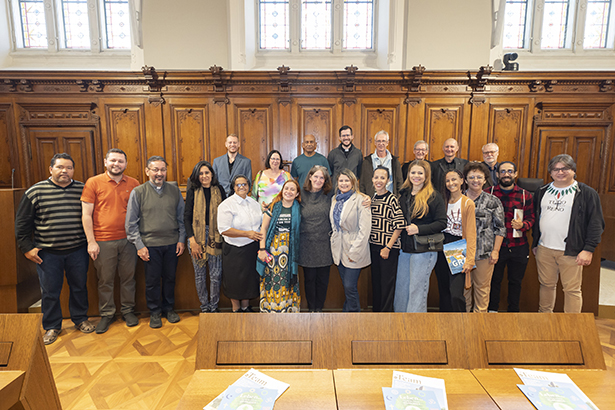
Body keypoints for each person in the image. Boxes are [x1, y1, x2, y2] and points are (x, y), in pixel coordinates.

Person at [15, 153, 94, 345]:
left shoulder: (83, 189)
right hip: (48, 254)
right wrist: (27, 248)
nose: (64, 171)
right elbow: (22, 223)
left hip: (77, 250)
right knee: (50, 291)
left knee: (79, 287)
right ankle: (52, 326)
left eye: (68, 167)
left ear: (73, 170)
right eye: (60, 167)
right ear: (51, 169)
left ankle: (80, 319)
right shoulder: (35, 191)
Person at [533, 154, 604, 313]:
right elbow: (536, 218)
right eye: (555, 169)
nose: (560, 172)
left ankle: (572, 327)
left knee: (572, 290)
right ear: (550, 172)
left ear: (573, 170)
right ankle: (544, 320)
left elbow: (596, 223)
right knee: (546, 285)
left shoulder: (586, 193)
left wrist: (588, 249)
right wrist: (536, 243)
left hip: (572, 250)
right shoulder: (542, 191)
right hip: (544, 249)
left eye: (565, 168)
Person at [81, 148, 140, 334]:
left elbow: (139, 213)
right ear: (105, 162)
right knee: (105, 280)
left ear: (126, 164)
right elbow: (86, 215)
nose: (116, 164)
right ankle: (107, 313)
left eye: (120, 161)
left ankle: (128, 310)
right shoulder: (93, 182)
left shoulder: (134, 183)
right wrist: (91, 241)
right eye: (113, 161)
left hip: (129, 240)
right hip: (103, 241)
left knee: (128, 278)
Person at [126, 156, 186, 328]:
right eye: (155, 170)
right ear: (147, 171)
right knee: (152, 281)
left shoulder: (174, 191)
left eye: (162, 170)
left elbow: (181, 218)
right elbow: (131, 223)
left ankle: (169, 309)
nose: (159, 173)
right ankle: (154, 312)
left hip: (172, 244)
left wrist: (181, 240)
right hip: (149, 245)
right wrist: (139, 246)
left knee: (170, 278)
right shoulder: (138, 192)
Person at [394, 160, 446, 313]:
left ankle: (414, 327)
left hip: (424, 250)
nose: (416, 176)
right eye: (413, 172)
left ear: (426, 176)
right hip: (405, 249)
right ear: (408, 174)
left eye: (420, 173)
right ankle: (400, 323)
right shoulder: (403, 195)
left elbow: (442, 223)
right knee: (402, 288)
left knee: (417, 290)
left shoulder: (433, 196)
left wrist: (419, 229)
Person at [487, 161, 535, 313]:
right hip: (495, 246)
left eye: (509, 171)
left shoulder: (525, 195)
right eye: (502, 171)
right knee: (493, 281)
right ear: (497, 174)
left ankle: (513, 313)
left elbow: (532, 218)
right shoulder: (489, 192)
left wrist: (523, 225)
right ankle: (492, 311)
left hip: (518, 245)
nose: (506, 174)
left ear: (515, 174)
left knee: (515, 282)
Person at [184, 161, 227, 313]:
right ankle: (204, 307)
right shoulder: (192, 191)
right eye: (201, 173)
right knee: (200, 275)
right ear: (197, 176)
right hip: (197, 237)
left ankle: (214, 307)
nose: (204, 176)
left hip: (216, 236)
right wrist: (192, 241)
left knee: (216, 275)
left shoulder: (219, 189)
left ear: (212, 174)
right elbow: (187, 217)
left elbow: (225, 214)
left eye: (207, 173)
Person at [463, 162, 506, 313]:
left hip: (484, 252)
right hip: (461, 253)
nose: (475, 180)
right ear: (466, 180)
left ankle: (478, 323)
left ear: (485, 179)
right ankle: (463, 321)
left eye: (479, 177)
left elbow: (500, 228)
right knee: (463, 290)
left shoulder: (493, 201)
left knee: (482, 289)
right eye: (472, 177)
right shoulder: (457, 199)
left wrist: (496, 251)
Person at [217, 175, 263, 312]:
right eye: (238, 185)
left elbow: (260, 223)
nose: (242, 187)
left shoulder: (254, 203)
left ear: (249, 187)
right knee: (234, 280)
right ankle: (236, 309)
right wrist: (247, 233)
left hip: (251, 248)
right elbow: (224, 229)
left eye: (244, 184)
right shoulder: (227, 204)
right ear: (233, 187)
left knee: (249, 279)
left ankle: (246, 306)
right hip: (234, 250)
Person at [433, 169, 476, 312]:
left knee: (456, 292)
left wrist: (469, 259)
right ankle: (444, 326)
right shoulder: (442, 201)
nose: (451, 183)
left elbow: (471, 233)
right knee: (443, 289)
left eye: (454, 179)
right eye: (447, 181)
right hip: (441, 244)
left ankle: (460, 324)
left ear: (462, 181)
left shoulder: (467, 203)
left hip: (458, 246)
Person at [257, 179, 302, 312]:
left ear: (297, 193)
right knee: (272, 281)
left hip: (290, 251)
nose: (289, 192)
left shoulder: (299, 208)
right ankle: (270, 311)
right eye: (286, 188)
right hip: (272, 251)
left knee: (288, 281)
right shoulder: (273, 207)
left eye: (292, 189)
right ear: (282, 191)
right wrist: (262, 249)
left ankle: (288, 310)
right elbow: (263, 229)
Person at [330, 169, 371, 312]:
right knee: (346, 286)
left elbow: (365, 230)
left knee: (349, 286)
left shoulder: (361, 200)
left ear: (353, 182)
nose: (344, 183)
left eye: (347, 180)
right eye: (341, 180)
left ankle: (354, 316)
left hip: (355, 248)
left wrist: (354, 251)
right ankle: (346, 315)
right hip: (339, 249)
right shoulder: (335, 199)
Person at [298, 165, 334, 312]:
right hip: (306, 244)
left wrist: (365, 198)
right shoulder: (300, 194)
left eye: (322, 178)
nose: (318, 180)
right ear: (310, 177)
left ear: (325, 181)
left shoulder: (330, 195)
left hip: (325, 244)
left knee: (323, 281)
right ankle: (312, 309)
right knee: (309, 280)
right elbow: (283, 199)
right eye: (316, 176)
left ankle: (319, 309)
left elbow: (350, 194)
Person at [369, 166, 405, 312]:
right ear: (372, 179)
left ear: (388, 180)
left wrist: (388, 247)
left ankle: (385, 317)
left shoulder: (392, 199)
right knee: (376, 283)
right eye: (376, 177)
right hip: (374, 246)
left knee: (387, 285)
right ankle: (376, 314)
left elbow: (400, 225)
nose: (379, 180)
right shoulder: (372, 198)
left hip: (388, 248)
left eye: (382, 178)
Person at [359, 130, 404, 197]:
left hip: (390, 200)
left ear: (387, 143)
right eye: (378, 141)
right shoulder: (367, 162)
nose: (381, 143)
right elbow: (362, 184)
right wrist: (364, 198)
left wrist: (397, 198)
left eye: (383, 141)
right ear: (375, 143)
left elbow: (400, 183)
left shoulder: (394, 161)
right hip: (372, 200)